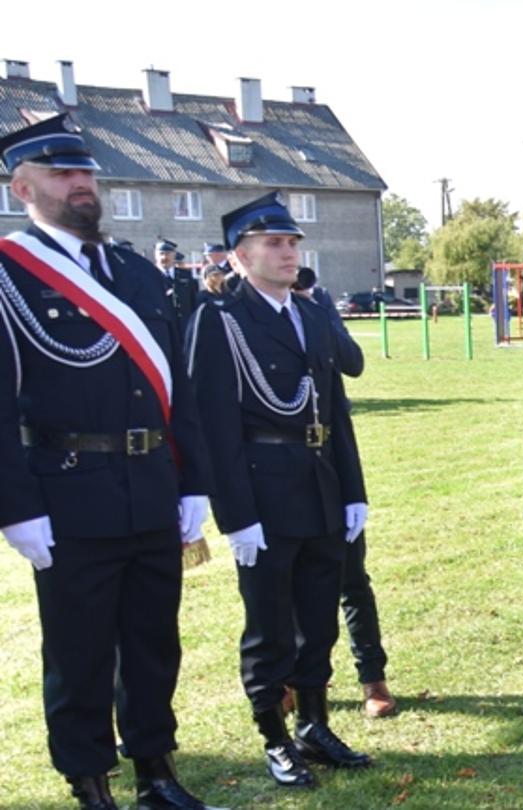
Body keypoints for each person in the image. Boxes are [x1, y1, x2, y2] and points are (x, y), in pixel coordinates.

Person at [0, 114, 218, 810]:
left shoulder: (130, 269)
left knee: (155, 643)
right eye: (65, 174)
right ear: (23, 187)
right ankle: (89, 782)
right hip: (68, 495)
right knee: (80, 652)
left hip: (151, 485)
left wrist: (193, 482)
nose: (82, 185)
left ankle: (155, 769)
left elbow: (174, 385)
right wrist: (16, 508)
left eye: (88, 172)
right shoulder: (11, 276)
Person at [187, 193, 373, 787]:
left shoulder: (312, 313)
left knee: (318, 619)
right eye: (273, 243)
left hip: (319, 483)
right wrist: (235, 515)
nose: (288, 252)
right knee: (269, 625)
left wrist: (352, 489)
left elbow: (333, 410)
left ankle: (314, 727)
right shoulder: (221, 320)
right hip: (264, 492)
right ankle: (275, 738)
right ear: (241, 256)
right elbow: (213, 425)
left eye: (293, 242)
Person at [293, 268, 398, 717]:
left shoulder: (317, 310)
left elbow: (352, 362)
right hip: (274, 463)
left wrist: (314, 307)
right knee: (287, 584)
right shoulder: (237, 315)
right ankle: (295, 680)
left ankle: (372, 678)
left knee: (351, 579)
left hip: (330, 457)